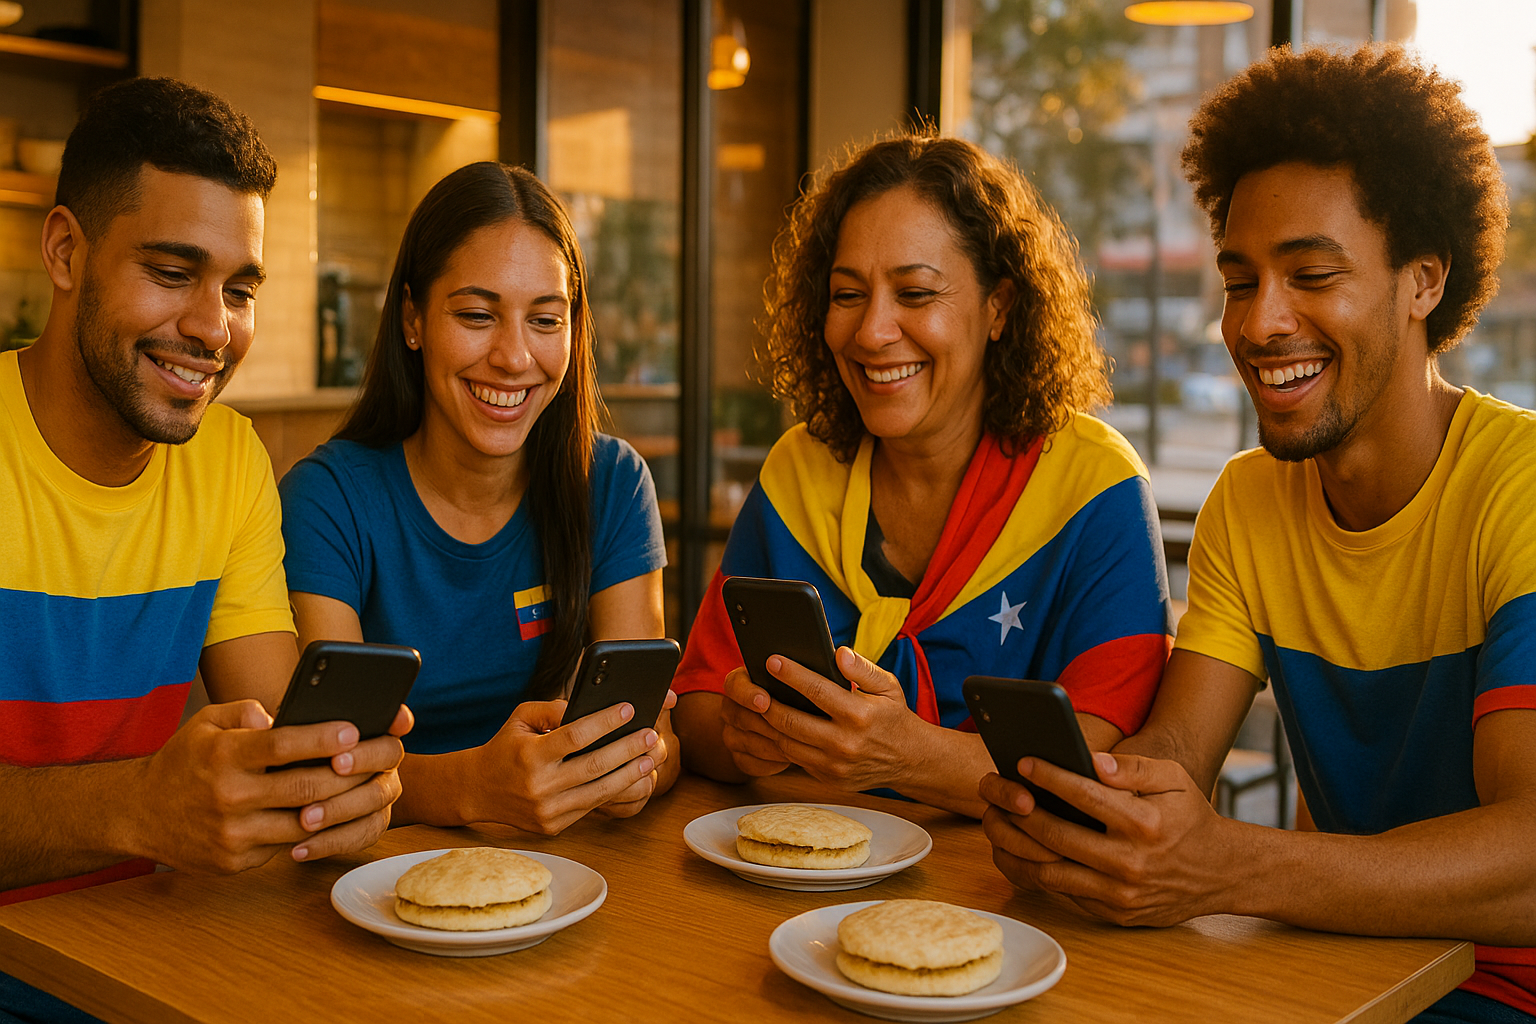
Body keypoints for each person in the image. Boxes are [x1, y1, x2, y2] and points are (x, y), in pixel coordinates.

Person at [979, 45, 1536, 1024]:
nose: (1260, 322)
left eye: (1312, 274)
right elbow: (1180, 752)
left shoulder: (1518, 486)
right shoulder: (1249, 499)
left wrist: (1222, 865)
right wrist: (1092, 815)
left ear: (1424, 281)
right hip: (1336, 976)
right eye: (1240, 282)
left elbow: (1530, 862)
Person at [0, 77, 409, 1022]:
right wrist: (140, 806)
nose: (213, 329)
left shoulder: (227, 461)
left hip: (145, 962)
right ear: (66, 251)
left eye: (239, 289)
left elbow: (276, 724)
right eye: (173, 271)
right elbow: (154, 807)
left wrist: (333, 785)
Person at [672, 133, 1172, 816]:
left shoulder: (1096, 488)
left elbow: (1102, 766)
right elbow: (697, 707)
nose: (873, 331)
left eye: (914, 292)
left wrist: (912, 757)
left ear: (999, 307)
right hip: (796, 878)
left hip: (1006, 895)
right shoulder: (797, 472)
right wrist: (746, 735)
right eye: (847, 295)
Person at [279, 162, 674, 835]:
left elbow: (659, 729)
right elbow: (322, 773)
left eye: (545, 319)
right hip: (370, 882)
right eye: (476, 315)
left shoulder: (612, 483)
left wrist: (632, 772)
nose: (515, 357)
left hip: (572, 874)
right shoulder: (327, 501)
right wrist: (470, 789)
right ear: (413, 318)